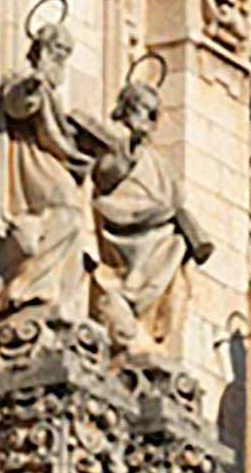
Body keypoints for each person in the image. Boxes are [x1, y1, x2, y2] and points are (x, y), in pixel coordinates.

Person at [0, 3, 100, 331]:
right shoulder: (23, 79)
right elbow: (16, 104)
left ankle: (50, 289)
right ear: (42, 50)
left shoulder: (52, 91)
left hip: (52, 161)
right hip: (30, 164)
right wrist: (31, 89)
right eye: (57, 51)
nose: (61, 59)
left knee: (71, 220)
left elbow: (57, 133)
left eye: (65, 54)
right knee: (67, 213)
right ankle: (24, 286)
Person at [88, 68, 214, 361]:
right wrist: (128, 148)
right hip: (126, 222)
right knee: (171, 241)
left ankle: (145, 323)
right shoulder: (117, 139)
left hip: (154, 226)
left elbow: (172, 194)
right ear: (127, 108)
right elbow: (105, 176)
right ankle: (130, 306)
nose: (145, 118)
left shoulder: (157, 160)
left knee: (177, 252)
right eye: (141, 109)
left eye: (150, 112)